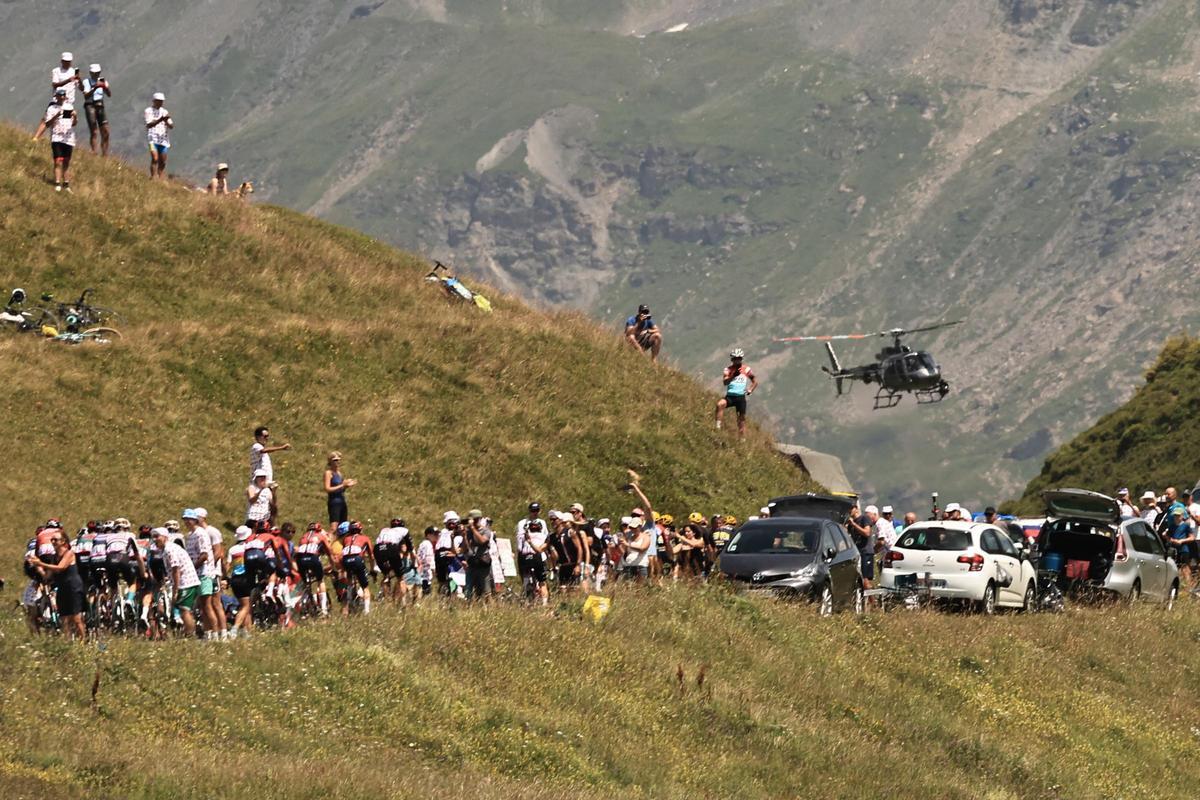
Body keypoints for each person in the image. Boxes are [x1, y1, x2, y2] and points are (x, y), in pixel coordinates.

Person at [28, 531, 86, 640]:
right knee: (64, 618)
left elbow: (61, 567)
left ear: (63, 541)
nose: (53, 542)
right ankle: (68, 643)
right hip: (62, 589)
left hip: (73, 587)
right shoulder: (54, 557)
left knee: (76, 618)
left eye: (56, 540)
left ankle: (83, 643)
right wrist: (38, 567)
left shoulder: (69, 553)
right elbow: (47, 576)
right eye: (52, 540)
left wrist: (41, 563)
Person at [156, 526, 200, 636]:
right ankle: (189, 632)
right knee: (183, 610)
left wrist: (175, 589)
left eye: (157, 536)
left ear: (165, 537)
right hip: (186, 582)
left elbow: (176, 569)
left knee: (184, 610)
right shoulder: (169, 548)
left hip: (186, 582)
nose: (155, 539)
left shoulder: (169, 549)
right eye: (153, 537)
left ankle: (190, 635)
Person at [183, 509, 220, 640]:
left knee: (207, 605)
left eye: (189, 519)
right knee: (202, 606)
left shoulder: (200, 534)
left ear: (195, 520)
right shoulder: (190, 535)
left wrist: (191, 568)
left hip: (203, 572)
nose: (186, 521)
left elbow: (204, 555)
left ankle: (215, 634)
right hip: (196, 574)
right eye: (185, 519)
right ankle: (207, 633)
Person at [31, 89, 77, 193]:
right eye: (60, 95)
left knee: (66, 161)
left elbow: (73, 124)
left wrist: (75, 116)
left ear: (65, 97)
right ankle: (57, 182)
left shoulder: (69, 107)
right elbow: (48, 123)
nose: (61, 97)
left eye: (63, 95)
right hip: (57, 137)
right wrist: (56, 115)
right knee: (57, 161)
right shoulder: (52, 108)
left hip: (68, 138)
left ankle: (66, 183)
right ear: (56, 96)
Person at [715, 348, 758, 437]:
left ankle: (742, 439)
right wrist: (733, 376)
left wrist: (750, 390)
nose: (737, 360)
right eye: (735, 358)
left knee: (741, 420)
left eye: (739, 358)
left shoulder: (746, 369)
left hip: (740, 398)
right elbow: (725, 382)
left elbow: (755, 381)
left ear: (741, 359)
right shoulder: (728, 369)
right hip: (730, 397)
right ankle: (717, 428)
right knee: (720, 405)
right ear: (732, 359)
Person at [250, 425, 289, 520]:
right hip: (259, 482)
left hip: (267, 482)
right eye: (265, 436)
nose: (267, 438)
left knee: (272, 504)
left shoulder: (263, 451)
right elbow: (263, 450)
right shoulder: (256, 446)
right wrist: (281, 448)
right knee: (261, 505)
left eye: (268, 436)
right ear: (258, 437)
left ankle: (270, 524)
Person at [295, 522, 334, 614]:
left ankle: (304, 605)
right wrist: (332, 565)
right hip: (313, 558)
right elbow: (329, 551)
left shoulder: (303, 537)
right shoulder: (320, 536)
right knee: (320, 581)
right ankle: (324, 610)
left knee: (305, 582)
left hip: (300, 560)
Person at [516, 503, 550, 604]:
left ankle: (544, 603)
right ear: (529, 511)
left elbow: (547, 539)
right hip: (526, 553)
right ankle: (529, 601)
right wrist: (520, 552)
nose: (534, 513)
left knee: (541, 580)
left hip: (539, 554)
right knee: (526, 580)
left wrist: (541, 549)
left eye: (536, 511)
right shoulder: (522, 523)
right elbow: (519, 539)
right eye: (532, 511)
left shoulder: (542, 523)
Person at [339, 520, 374, 614]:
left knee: (349, 583)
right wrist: (372, 569)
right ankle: (367, 611)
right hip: (357, 560)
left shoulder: (345, 539)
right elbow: (371, 556)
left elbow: (343, 553)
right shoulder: (365, 538)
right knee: (365, 587)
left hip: (346, 561)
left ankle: (349, 602)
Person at [225, 526, 254, 636]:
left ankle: (246, 631)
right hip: (245, 578)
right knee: (246, 606)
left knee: (244, 605)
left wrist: (225, 577)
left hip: (235, 579)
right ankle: (234, 629)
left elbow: (227, 566)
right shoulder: (249, 547)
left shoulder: (232, 549)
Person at [79, 64, 112, 156]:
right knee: (94, 131)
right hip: (90, 105)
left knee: (106, 131)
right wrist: (95, 88)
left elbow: (109, 94)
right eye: (94, 73)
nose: (96, 75)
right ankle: (94, 151)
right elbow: (86, 96)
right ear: (90, 73)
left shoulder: (102, 81)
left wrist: (105, 86)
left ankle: (105, 154)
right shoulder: (87, 82)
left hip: (100, 105)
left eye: (98, 73)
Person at [463, 510, 495, 601]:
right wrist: (464, 535)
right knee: (468, 590)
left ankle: (491, 610)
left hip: (482, 563)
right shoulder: (469, 532)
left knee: (486, 591)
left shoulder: (486, 531)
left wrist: (473, 529)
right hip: (472, 563)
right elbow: (465, 548)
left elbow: (482, 541)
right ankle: (469, 608)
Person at [144, 92, 174, 178]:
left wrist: (166, 121)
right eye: (158, 101)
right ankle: (153, 176)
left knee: (163, 161)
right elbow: (149, 124)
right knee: (155, 158)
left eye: (161, 101)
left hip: (163, 140)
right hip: (152, 139)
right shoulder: (148, 111)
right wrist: (161, 119)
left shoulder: (164, 111)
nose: (160, 103)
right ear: (154, 101)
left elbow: (171, 125)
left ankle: (160, 176)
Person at [847, 505, 876, 589]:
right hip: (857, 553)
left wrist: (854, 524)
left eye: (850, 508)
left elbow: (867, 533)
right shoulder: (850, 524)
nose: (849, 511)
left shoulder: (864, 518)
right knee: (860, 579)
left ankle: (872, 601)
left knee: (866, 579)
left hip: (866, 552)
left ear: (856, 509)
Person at [323, 452, 356, 526]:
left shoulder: (339, 473)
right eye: (335, 460)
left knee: (343, 526)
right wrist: (342, 485)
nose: (337, 462)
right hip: (334, 502)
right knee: (334, 527)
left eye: (338, 460)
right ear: (330, 461)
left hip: (342, 501)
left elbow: (341, 489)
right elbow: (327, 488)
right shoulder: (328, 473)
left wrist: (346, 486)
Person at [1166, 508, 1193, 588]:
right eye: (1175, 516)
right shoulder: (1172, 526)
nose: (1176, 517)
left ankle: (1189, 587)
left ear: (1182, 516)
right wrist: (1171, 539)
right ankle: (1176, 586)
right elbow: (1167, 536)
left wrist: (1181, 541)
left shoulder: (1186, 526)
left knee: (1185, 568)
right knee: (1174, 568)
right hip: (1174, 549)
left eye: (1178, 515)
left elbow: (1192, 537)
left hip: (1184, 549)